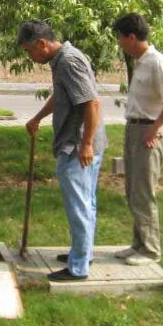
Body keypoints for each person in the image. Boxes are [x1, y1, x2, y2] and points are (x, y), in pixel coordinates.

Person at [18, 20, 107, 282]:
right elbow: (62, 96)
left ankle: (78, 267)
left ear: (42, 44)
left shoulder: (68, 61)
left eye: (29, 51)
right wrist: (37, 118)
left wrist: (86, 144)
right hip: (83, 144)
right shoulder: (63, 60)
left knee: (79, 206)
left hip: (77, 147)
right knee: (86, 203)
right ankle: (83, 253)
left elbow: (91, 103)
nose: (30, 58)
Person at [113, 13, 163, 266]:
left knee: (144, 193)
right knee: (133, 191)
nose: (119, 43)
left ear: (131, 37)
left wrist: (155, 128)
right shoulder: (141, 62)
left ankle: (151, 250)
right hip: (134, 130)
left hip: (148, 134)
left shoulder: (156, 62)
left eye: (120, 38)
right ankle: (138, 244)